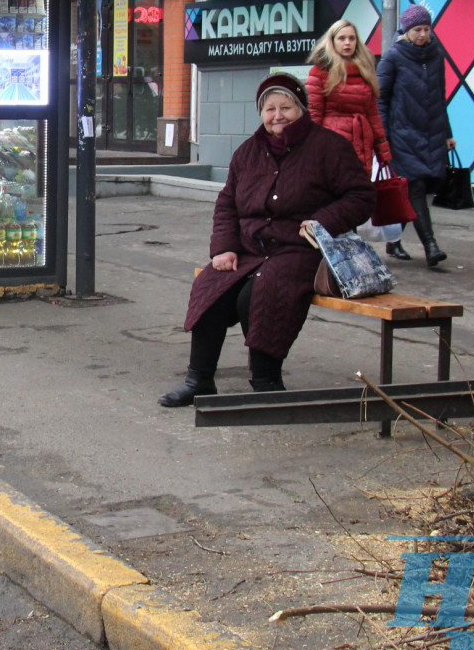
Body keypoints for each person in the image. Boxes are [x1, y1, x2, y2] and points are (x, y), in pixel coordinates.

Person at [160, 74, 374, 406]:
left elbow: (361, 196)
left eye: (286, 107)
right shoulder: (248, 153)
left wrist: (323, 221)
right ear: (261, 113)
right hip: (249, 249)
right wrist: (224, 248)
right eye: (270, 108)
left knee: (262, 291)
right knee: (210, 288)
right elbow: (227, 203)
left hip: (300, 249)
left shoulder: (329, 147)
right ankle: (199, 380)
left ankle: (266, 381)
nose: (278, 115)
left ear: (301, 108)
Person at [304, 19, 400, 255]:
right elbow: (314, 114)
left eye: (352, 38)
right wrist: (310, 150)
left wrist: (383, 151)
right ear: (332, 41)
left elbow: (373, 113)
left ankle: (351, 253)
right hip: (331, 145)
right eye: (342, 38)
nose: (347, 43)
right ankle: (328, 252)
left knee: (355, 197)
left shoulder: (366, 68)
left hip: (362, 144)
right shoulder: (320, 70)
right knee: (331, 198)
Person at [378, 5, 455, 268]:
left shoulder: (436, 55)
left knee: (413, 190)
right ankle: (431, 246)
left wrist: (447, 133)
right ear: (406, 31)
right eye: (417, 30)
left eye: (426, 29)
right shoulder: (393, 57)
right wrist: (383, 137)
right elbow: (381, 99)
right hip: (403, 134)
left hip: (431, 132)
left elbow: (440, 96)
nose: (423, 34)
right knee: (416, 187)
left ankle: (393, 239)